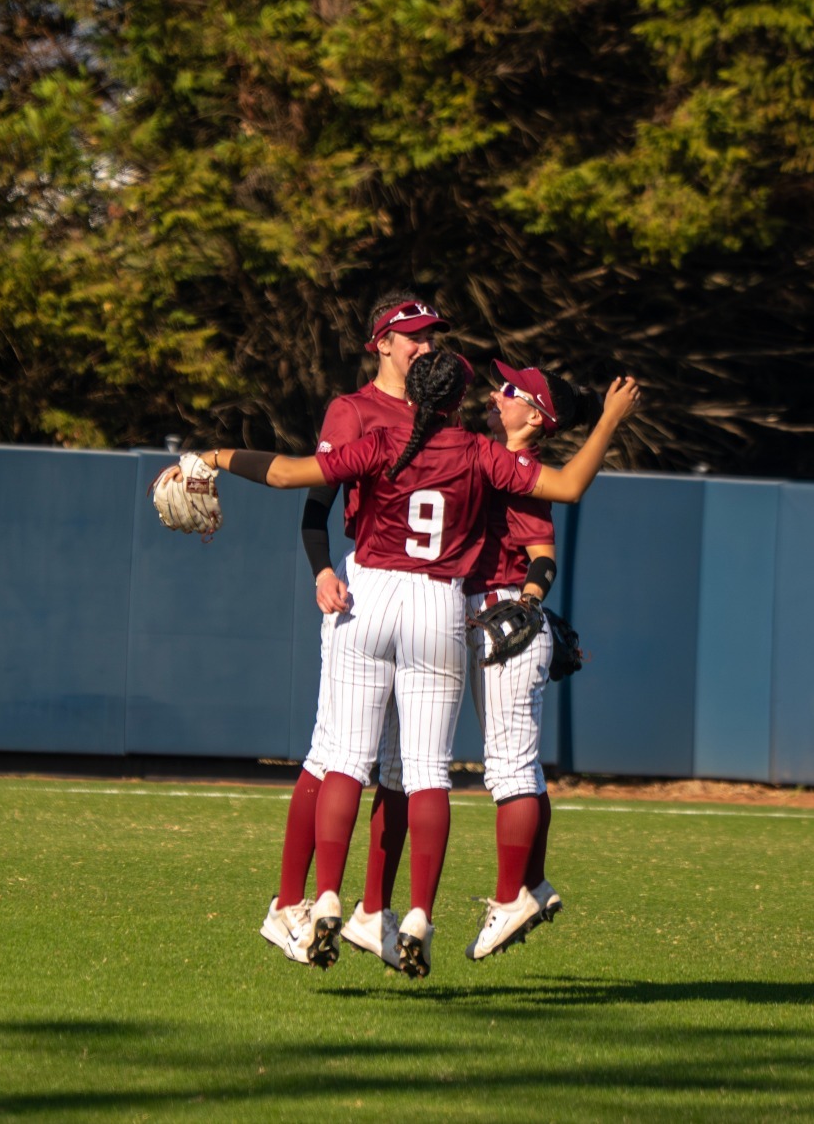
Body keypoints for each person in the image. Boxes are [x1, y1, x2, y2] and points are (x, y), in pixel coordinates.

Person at [172, 351, 640, 978]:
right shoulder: (479, 451)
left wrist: (214, 455)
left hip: (370, 591)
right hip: (438, 603)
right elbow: (569, 487)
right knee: (427, 772)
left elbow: (286, 475)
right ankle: (416, 910)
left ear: (411, 396)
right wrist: (609, 418)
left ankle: (330, 895)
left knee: (345, 757)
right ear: (457, 401)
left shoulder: (379, 439)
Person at [262, 292, 439, 971]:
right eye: (413, 336)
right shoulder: (354, 409)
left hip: (420, 601)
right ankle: (287, 905)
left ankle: (375, 911)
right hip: (363, 592)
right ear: (382, 343)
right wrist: (321, 570)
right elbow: (315, 507)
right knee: (335, 751)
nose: (425, 345)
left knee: (400, 764)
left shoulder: (439, 412)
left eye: (431, 336)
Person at [461, 359, 591, 961]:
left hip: (504, 618)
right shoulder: (506, 464)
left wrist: (528, 604)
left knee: (510, 770)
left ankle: (511, 895)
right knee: (524, 769)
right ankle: (532, 884)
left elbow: (541, 559)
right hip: (505, 615)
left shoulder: (524, 471)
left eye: (508, 390)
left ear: (534, 415)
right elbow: (543, 556)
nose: (495, 392)